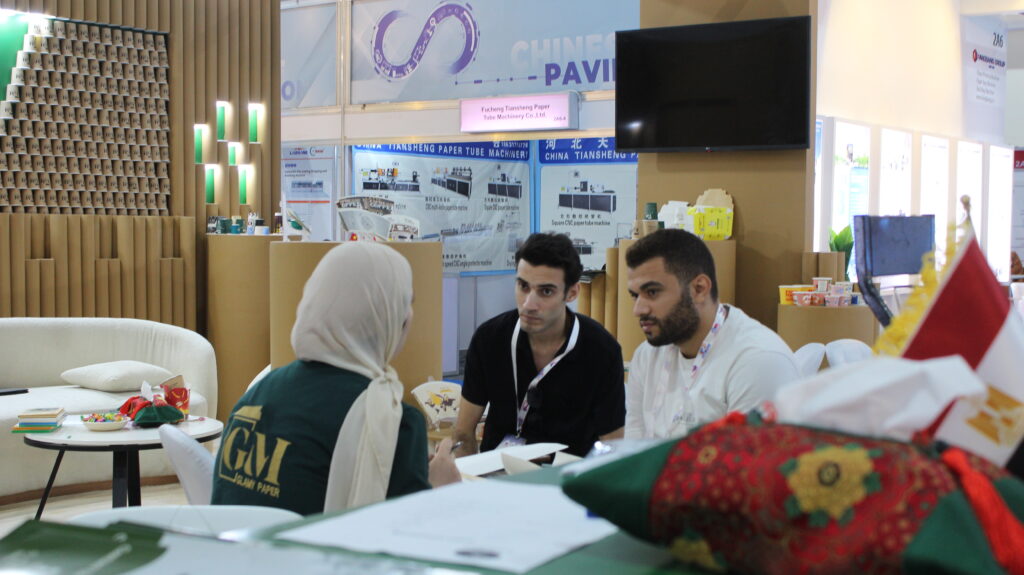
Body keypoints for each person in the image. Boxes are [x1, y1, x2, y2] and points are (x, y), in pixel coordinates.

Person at [211, 242, 460, 515]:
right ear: (388, 319)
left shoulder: (257, 394)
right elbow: (413, 531)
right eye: (406, 304)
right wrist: (443, 489)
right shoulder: (392, 423)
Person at [453, 232, 625, 458]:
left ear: (572, 292)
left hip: (570, 475)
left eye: (546, 291)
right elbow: (463, 432)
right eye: (523, 286)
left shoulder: (602, 350)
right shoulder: (489, 339)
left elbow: (613, 446)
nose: (529, 304)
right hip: (498, 473)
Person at [624, 229, 799, 439]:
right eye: (635, 296)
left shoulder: (758, 360)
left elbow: (751, 457)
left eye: (652, 292)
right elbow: (633, 443)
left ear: (699, 289)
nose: (638, 309)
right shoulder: (647, 355)